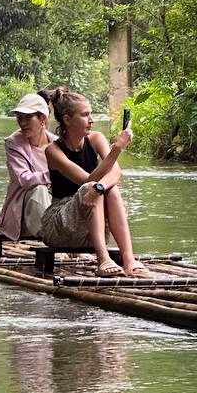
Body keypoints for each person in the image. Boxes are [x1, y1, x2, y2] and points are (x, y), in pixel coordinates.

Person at [41, 89, 150, 278]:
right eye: (85, 115)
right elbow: (86, 180)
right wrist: (117, 148)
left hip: (90, 228)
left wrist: (100, 187)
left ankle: (129, 259)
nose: (91, 119)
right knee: (90, 188)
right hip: (59, 226)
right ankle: (103, 258)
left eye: (91, 114)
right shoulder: (53, 150)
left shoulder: (96, 139)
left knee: (110, 189)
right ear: (67, 119)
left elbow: (116, 172)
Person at [0, 92, 58, 241]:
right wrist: (55, 175)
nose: (22, 123)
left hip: (53, 209)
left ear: (42, 119)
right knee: (39, 189)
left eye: (27, 117)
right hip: (23, 216)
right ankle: (53, 239)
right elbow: (24, 179)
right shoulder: (13, 143)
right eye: (19, 118)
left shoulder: (58, 143)